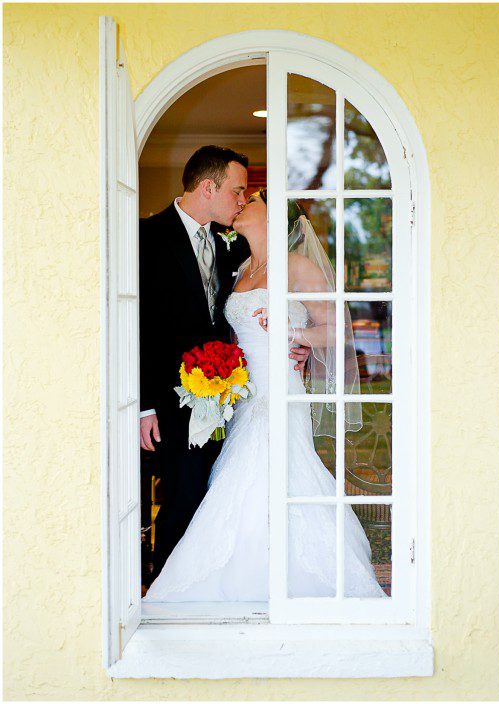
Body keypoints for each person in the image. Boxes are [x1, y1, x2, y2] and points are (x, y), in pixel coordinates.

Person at [144, 189, 384, 601]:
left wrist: (296, 335)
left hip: (278, 391)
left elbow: (335, 329)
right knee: (235, 479)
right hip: (238, 395)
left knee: (269, 474)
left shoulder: (297, 267)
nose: (241, 204)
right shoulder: (237, 270)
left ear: (274, 217)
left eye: (250, 200)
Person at [138, 146, 309, 583]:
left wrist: (298, 336)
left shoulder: (231, 247)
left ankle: (208, 578)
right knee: (178, 493)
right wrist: (143, 405)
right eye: (237, 190)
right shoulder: (145, 237)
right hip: (168, 400)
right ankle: (165, 584)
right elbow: (134, 326)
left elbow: (265, 303)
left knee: (216, 493)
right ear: (208, 187)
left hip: (232, 396)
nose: (241, 199)